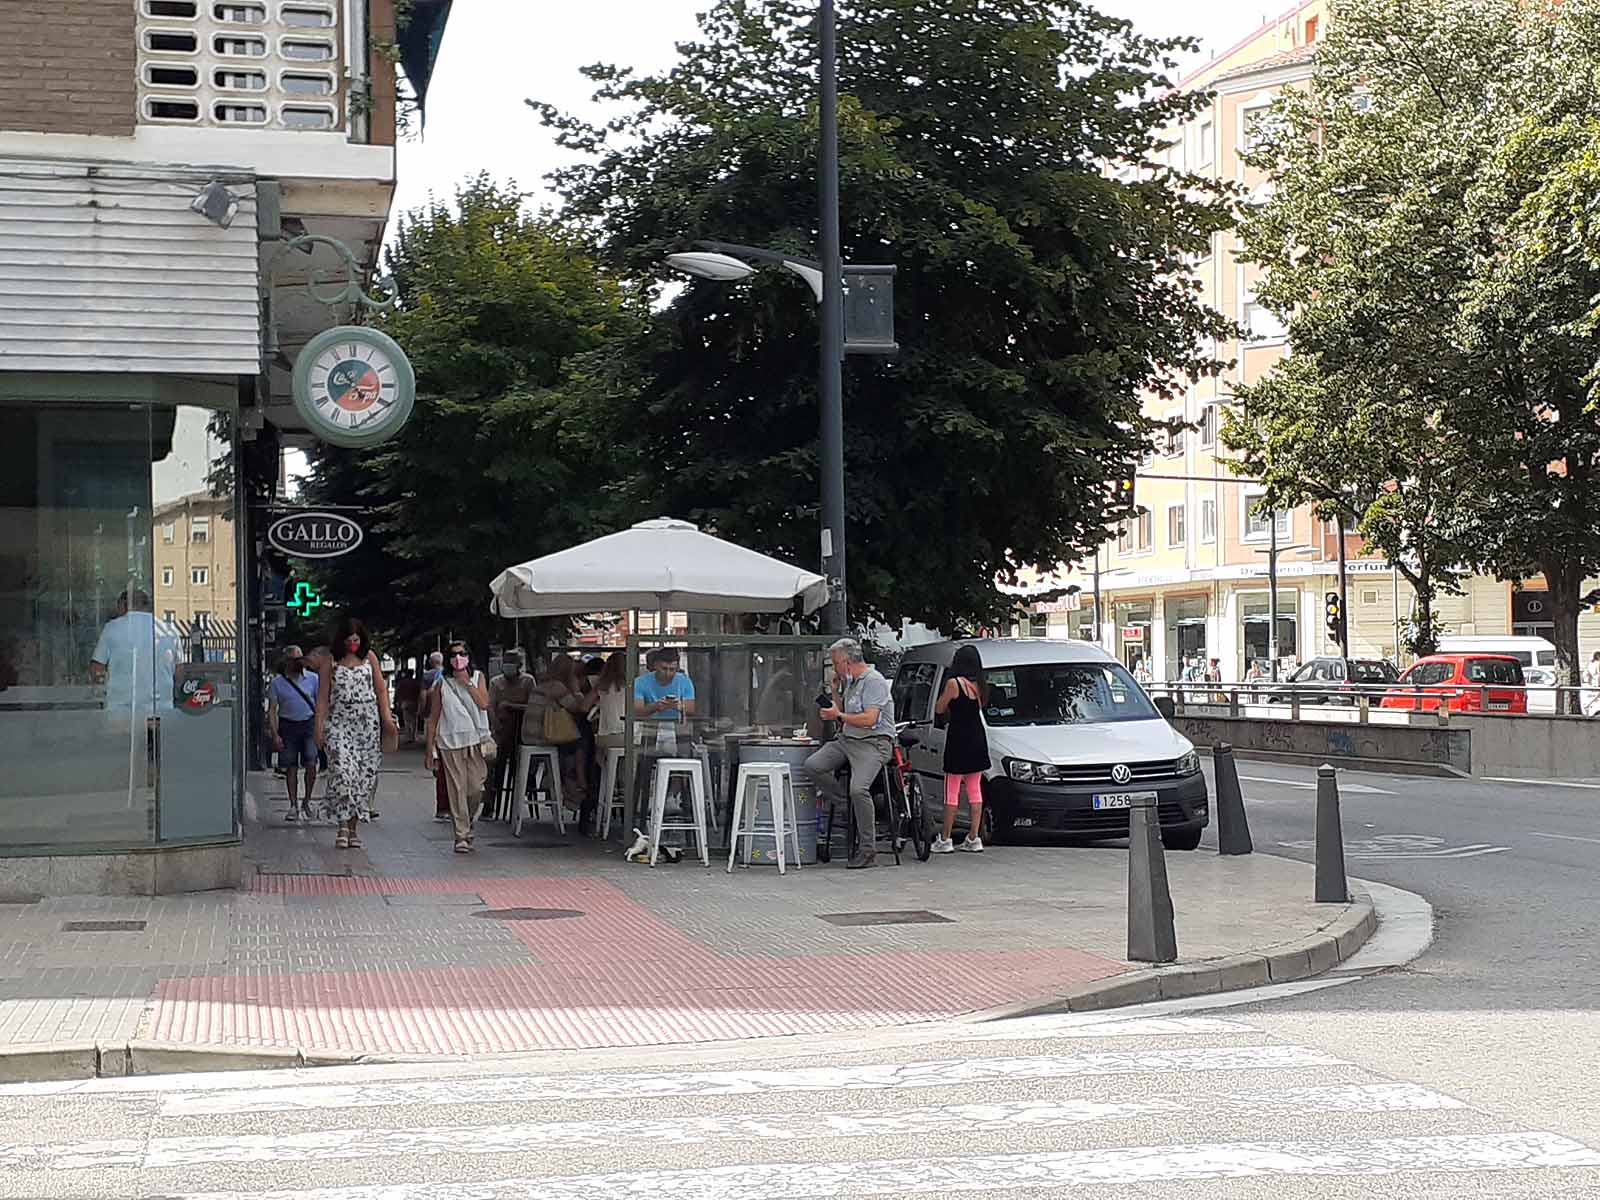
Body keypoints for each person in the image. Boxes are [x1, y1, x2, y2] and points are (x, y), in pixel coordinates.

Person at [806, 637, 896, 870]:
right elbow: (843, 710)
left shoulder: (873, 681)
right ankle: (845, 804)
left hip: (872, 742)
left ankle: (868, 850)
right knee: (813, 765)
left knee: (859, 788)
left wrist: (838, 716)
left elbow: (869, 719)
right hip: (848, 739)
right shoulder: (851, 682)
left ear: (847, 662)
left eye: (835, 664)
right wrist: (835, 692)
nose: (834, 668)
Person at [314, 617, 398, 851]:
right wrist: (318, 727)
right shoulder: (330, 662)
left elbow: (380, 689)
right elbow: (322, 698)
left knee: (362, 778)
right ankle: (342, 825)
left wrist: (387, 719)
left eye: (356, 639)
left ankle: (353, 828)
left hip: (366, 727)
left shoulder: (369, 658)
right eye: (349, 639)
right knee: (343, 772)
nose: (353, 643)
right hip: (339, 724)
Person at [425, 640, 491, 853]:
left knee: (476, 787)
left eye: (461, 654)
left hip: (475, 740)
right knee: (457, 789)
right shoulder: (442, 684)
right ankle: (461, 835)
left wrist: (467, 683)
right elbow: (433, 718)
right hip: (449, 741)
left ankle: (468, 820)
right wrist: (429, 749)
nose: (457, 658)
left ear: (469, 656)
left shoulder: (478, 677)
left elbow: (484, 704)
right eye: (452, 655)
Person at [90, 588, 176, 726]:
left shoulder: (112, 628)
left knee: (118, 747)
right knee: (158, 746)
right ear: (147, 606)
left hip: (121, 713)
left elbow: (97, 668)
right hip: (161, 712)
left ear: (123, 605)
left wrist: (101, 690)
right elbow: (180, 671)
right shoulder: (168, 630)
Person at [932, 644, 988, 855]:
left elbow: (939, 708)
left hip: (958, 739)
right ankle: (974, 837)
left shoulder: (954, 683)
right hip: (977, 738)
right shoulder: (980, 685)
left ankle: (945, 838)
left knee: (951, 791)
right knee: (975, 790)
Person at [268, 645, 320, 823]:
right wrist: (275, 734)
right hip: (288, 725)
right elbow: (273, 710)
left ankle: (307, 801)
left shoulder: (313, 679)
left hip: (309, 724)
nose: (299, 663)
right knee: (291, 766)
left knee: (311, 763)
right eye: (295, 660)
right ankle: (293, 805)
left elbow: (320, 705)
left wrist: (322, 728)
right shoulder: (277, 683)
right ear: (287, 662)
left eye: (301, 658)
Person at [487, 649, 535, 816]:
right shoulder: (496, 682)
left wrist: (511, 705)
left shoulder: (528, 681)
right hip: (502, 730)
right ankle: (490, 802)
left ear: (519, 666)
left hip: (522, 731)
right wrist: (496, 726)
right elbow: (490, 706)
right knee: (494, 767)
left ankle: (520, 799)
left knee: (520, 766)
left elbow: (534, 706)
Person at [394, 669, 422, 745]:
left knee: (407, 720)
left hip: (405, 702)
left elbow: (398, 692)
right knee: (414, 720)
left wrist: (398, 702)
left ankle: (409, 736)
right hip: (414, 702)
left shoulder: (402, 683)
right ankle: (414, 736)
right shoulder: (415, 683)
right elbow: (419, 692)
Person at [1583, 652, 1600, 718]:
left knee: (1597, 696)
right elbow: (1599, 674)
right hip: (1597, 682)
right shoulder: (1598, 663)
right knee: (1597, 696)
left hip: (1593, 682)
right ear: (1598, 656)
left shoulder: (1590, 664)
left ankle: (1591, 709)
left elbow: (1588, 674)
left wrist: (1589, 682)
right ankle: (1587, 706)